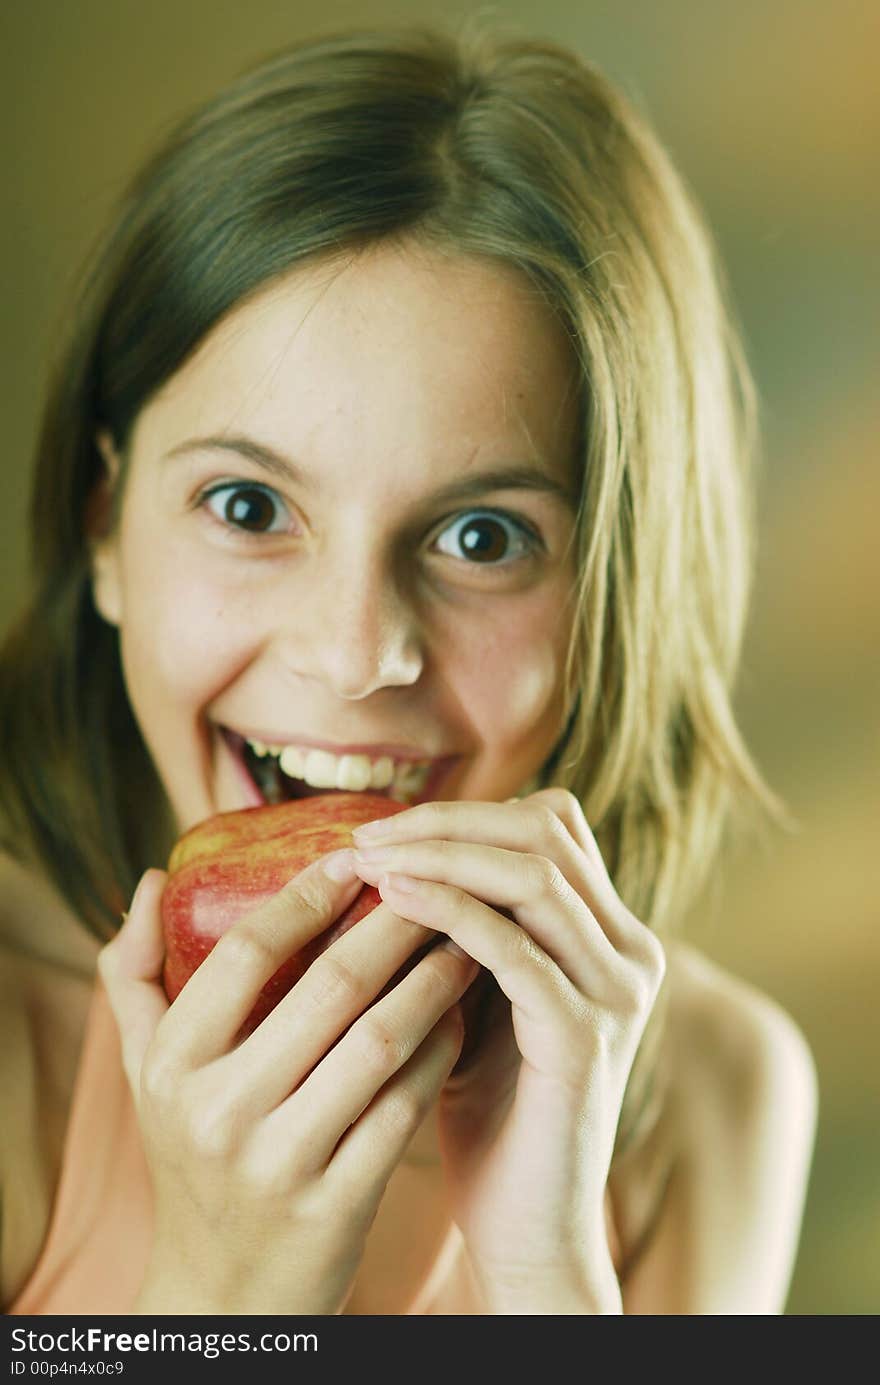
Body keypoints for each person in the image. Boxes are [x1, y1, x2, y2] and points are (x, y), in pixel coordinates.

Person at [0, 18, 817, 1316]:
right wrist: (225, 1294)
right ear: (104, 529)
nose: (354, 649)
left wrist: (549, 1266)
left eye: (481, 536)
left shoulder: (713, 1091)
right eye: (249, 507)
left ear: (615, 596)